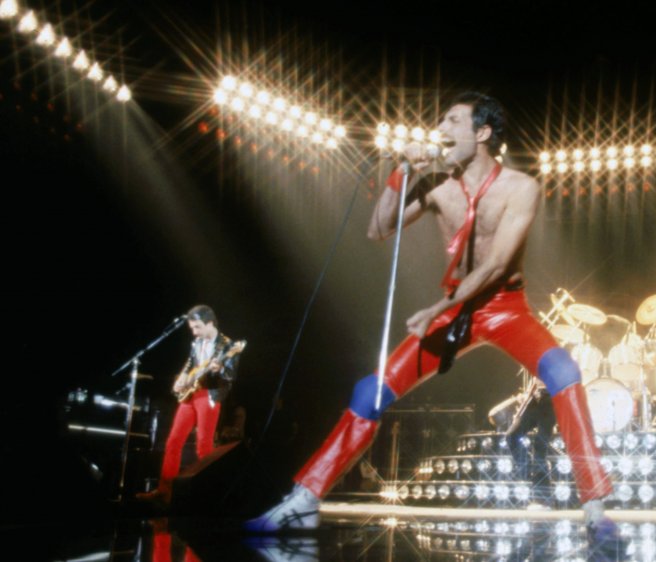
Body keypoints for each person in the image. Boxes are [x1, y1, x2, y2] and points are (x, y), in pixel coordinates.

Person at [246, 93, 619, 542]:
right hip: (454, 310)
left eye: (452, 120)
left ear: (482, 133)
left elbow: (498, 264)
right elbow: (378, 229)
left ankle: (595, 504)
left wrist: (437, 308)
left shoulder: (522, 187)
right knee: (371, 390)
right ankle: (304, 500)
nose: (440, 128)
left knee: (564, 369)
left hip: (503, 308)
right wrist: (405, 170)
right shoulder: (439, 186)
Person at [137, 304, 243, 505]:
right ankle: (164, 492)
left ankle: (207, 495)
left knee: (204, 444)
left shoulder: (228, 345)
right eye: (192, 328)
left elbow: (230, 376)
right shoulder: (196, 343)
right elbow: (191, 363)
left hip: (208, 394)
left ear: (210, 323)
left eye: (197, 327)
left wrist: (220, 368)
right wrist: (182, 377)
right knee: (173, 441)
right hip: (190, 394)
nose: (194, 332)